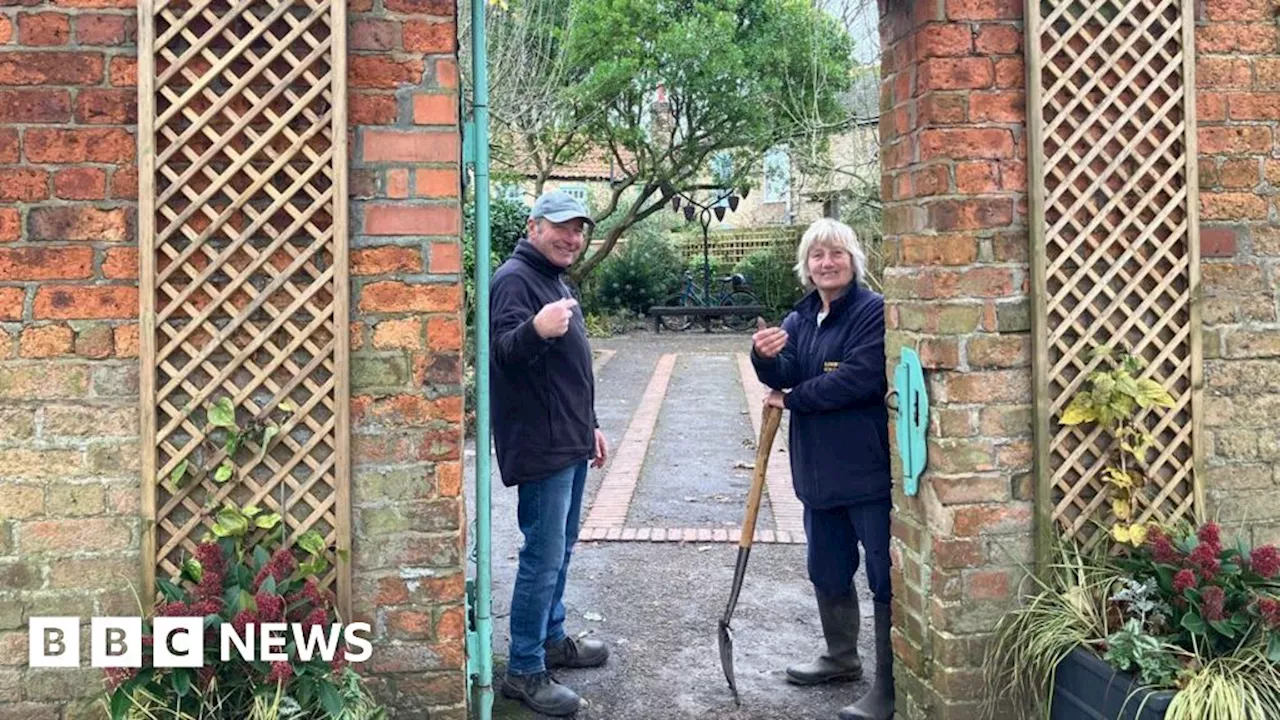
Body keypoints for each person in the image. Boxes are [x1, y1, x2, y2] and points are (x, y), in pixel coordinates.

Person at [750, 218, 893, 720]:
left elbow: (860, 379)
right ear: (806, 266)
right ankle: (839, 658)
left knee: (884, 576)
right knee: (827, 568)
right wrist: (763, 359)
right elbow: (784, 370)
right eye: (817, 256)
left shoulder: (873, 313)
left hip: (866, 472)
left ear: (854, 259)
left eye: (836, 253)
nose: (826, 263)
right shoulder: (802, 316)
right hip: (816, 473)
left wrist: (791, 398)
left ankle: (889, 687)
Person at [489, 190, 611, 716]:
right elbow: (503, 350)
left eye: (580, 229)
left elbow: (572, 369)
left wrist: (593, 425)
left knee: (559, 549)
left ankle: (552, 637)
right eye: (562, 227)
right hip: (541, 444)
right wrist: (537, 329)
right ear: (534, 226)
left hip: (569, 437)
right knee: (542, 556)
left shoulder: (553, 278)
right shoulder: (514, 279)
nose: (573, 238)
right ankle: (524, 669)